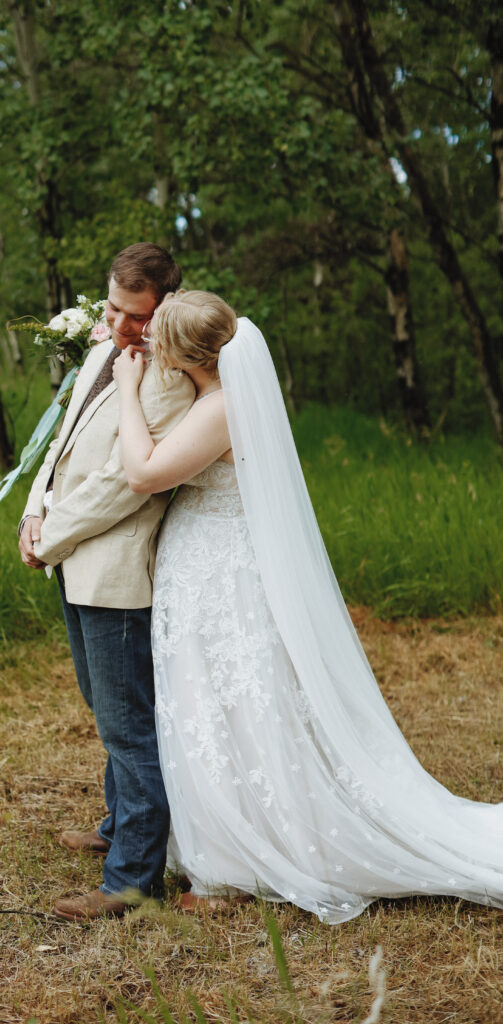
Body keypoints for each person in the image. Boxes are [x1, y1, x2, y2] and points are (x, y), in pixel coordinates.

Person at [113, 289, 503, 923]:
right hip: (206, 569)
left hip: (220, 577)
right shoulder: (215, 396)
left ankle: (236, 862)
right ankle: (221, 847)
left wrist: (128, 391)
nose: (149, 349)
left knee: (226, 705)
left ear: (189, 356)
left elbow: (143, 473)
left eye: (160, 340)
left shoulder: (219, 410)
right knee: (208, 704)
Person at [18, 245, 195, 922]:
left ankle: (130, 881)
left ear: (165, 306)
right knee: (102, 703)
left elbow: (126, 482)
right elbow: (62, 443)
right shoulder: (106, 347)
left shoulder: (171, 375)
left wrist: (54, 533)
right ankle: (117, 823)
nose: (120, 325)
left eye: (134, 315)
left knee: (127, 723)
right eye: (113, 309)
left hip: (114, 563)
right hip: (70, 549)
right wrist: (34, 509)